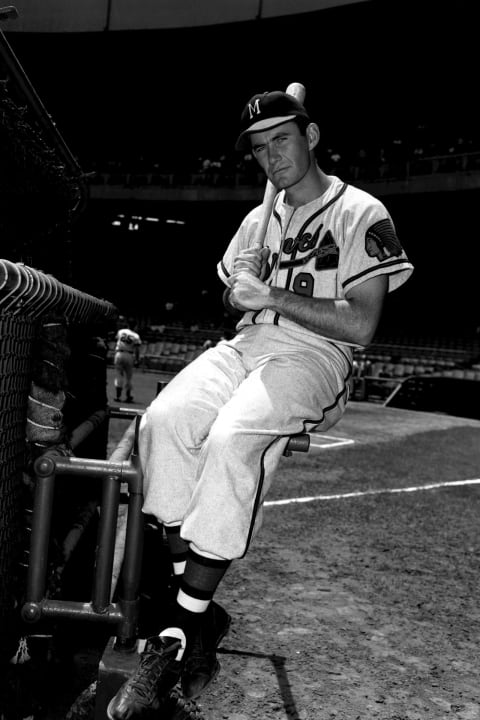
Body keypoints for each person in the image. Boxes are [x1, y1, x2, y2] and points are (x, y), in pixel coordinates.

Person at [107, 89, 414, 719]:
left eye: (282, 138)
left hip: (316, 354)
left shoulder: (360, 212)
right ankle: (195, 609)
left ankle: (176, 634)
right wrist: (239, 291)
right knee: (161, 422)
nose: (271, 155)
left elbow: (361, 325)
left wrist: (268, 289)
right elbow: (234, 303)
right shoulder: (257, 221)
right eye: (259, 146)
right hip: (245, 345)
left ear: (312, 135)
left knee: (231, 438)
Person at [113, 317, 142, 403]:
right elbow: (137, 349)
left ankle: (118, 396)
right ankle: (128, 396)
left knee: (119, 375)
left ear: (128, 324)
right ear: (135, 326)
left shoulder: (121, 331)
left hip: (119, 353)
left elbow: (116, 339)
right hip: (129, 354)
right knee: (128, 376)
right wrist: (137, 360)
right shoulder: (136, 335)